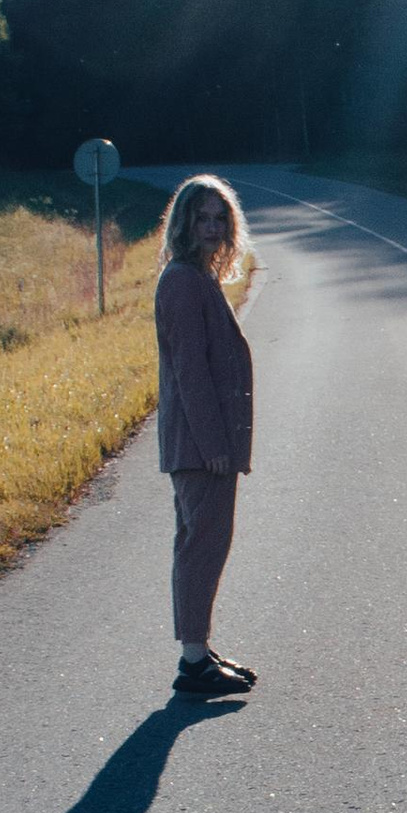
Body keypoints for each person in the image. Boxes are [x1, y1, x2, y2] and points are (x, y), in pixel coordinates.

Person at [154, 175, 258, 698]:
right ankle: (193, 661)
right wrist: (215, 445)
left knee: (201, 543)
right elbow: (190, 372)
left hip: (201, 442)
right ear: (184, 223)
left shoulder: (196, 278)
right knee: (203, 546)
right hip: (200, 446)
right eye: (203, 218)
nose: (213, 228)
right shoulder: (181, 282)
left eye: (220, 219)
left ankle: (198, 649)